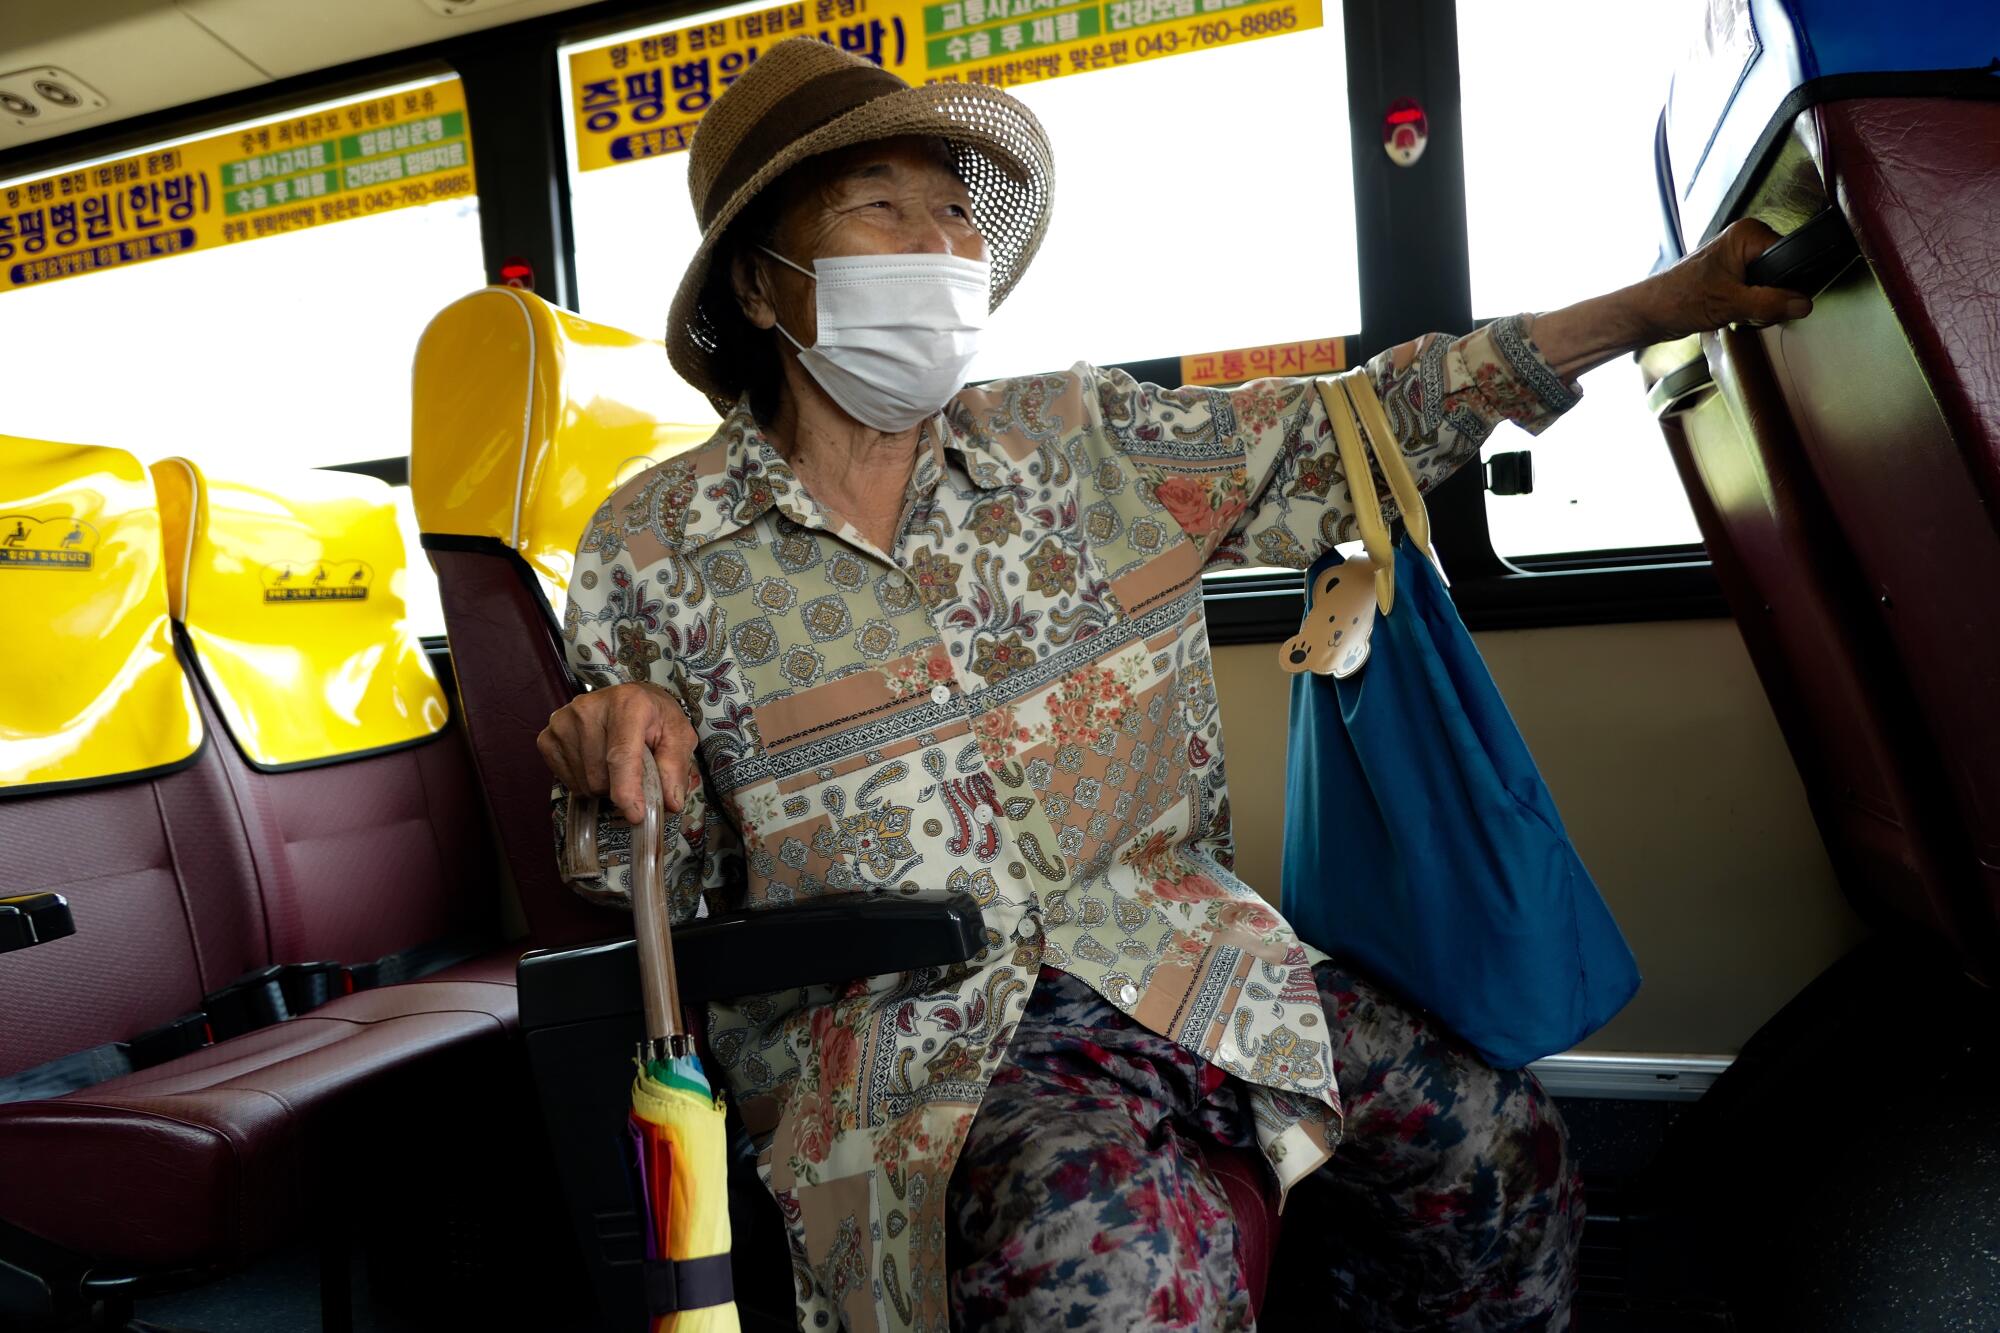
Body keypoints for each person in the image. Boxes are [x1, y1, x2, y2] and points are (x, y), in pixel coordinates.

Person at [540, 36, 1807, 1333]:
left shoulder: (1081, 439)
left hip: (1177, 952)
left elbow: (1360, 421)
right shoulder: (653, 547)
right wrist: (611, 761)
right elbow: (653, 886)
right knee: (1134, 1267)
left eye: (958, 211)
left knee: (1499, 1146)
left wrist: (1657, 308)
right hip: (906, 1049)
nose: (939, 245)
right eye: (881, 204)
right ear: (761, 282)